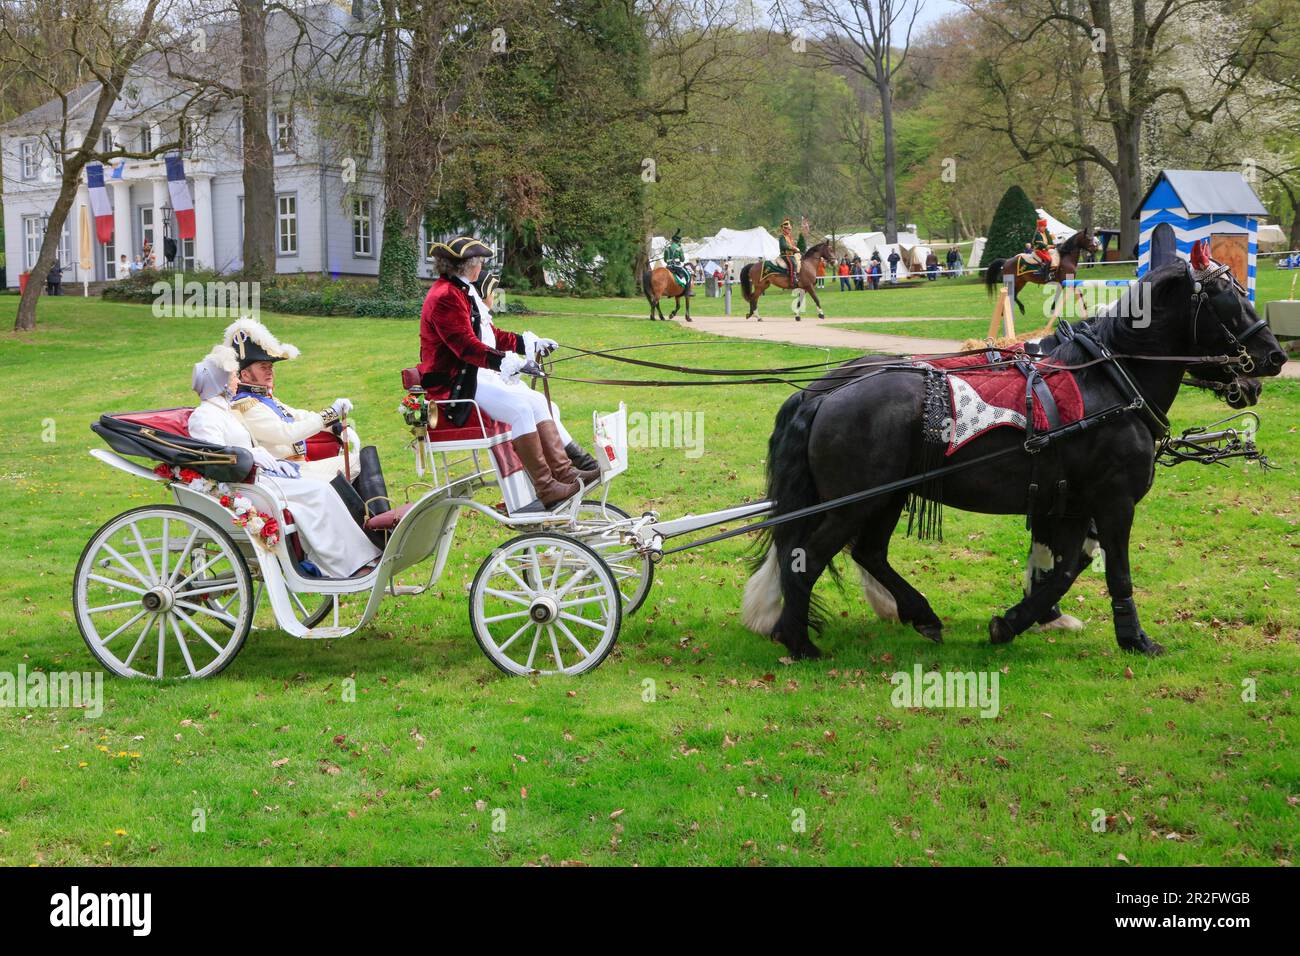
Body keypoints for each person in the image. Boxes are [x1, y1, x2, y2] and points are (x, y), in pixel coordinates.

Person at [419, 236, 597, 509]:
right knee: (521, 409)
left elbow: (490, 336)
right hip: (456, 382)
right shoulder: (445, 296)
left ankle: (565, 473)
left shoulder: (459, 290)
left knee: (537, 402)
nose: (480, 267)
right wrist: (505, 362)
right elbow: (465, 347)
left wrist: (528, 344)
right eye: (478, 262)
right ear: (469, 266)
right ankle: (546, 487)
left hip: (473, 374)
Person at [188, 344, 380, 579]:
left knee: (323, 490)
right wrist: (250, 454)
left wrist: (333, 420)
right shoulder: (206, 415)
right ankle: (345, 563)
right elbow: (214, 455)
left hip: (262, 472)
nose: (236, 380)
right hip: (247, 481)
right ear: (220, 381)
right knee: (320, 490)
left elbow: (297, 417)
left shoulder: (228, 410)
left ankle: (362, 552)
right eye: (232, 376)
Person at [474, 271, 600, 473]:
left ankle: (576, 463)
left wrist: (533, 343)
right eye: (492, 292)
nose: (495, 296)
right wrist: (516, 364)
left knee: (551, 408)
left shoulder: (482, 319)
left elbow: (500, 338)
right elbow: (481, 351)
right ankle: (576, 466)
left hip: (492, 379)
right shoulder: (474, 319)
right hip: (483, 381)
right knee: (533, 405)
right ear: (482, 294)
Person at [224, 317, 360, 483]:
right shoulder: (246, 405)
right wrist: (330, 413)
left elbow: (299, 415)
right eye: (263, 367)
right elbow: (287, 433)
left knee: (363, 458)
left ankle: (372, 509)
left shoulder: (264, 398)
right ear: (245, 374)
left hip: (302, 467)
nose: (270, 372)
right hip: (286, 474)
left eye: (270, 367)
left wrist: (335, 426)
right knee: (354, 469)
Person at [663, 229, 693, 296]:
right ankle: (688, 292)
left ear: (672, 241)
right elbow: (682, 259)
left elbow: (665, 259)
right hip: (677, 267)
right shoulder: (679, 248)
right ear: (678, 241)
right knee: (688, 275)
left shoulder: (667, 249)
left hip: (668, 267)